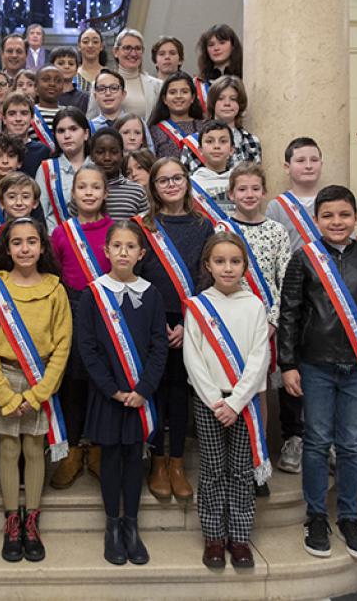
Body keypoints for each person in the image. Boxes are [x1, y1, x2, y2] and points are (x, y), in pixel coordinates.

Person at [277, 185, 357, 561]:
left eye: (344, 215)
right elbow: (290, 314)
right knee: (315, 443)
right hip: (314, 365)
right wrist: (288, 364)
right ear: (316, 220)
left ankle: (348, 515)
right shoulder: (304, 259)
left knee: (348, 443)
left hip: (356, 370)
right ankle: (315, 516)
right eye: (328, 215)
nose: (336, 222)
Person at [0, 217, 72, 563]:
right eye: (17, 242)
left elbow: (62, 346)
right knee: (7, 448)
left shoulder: (55, 289)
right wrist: (5, 395)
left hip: (40, 381)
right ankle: (11, 521)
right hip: (4, 378)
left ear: (43, 247)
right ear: (7, 249)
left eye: (32, 242)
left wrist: (37, 394)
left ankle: (32, 519)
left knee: (34, 448)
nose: (25, 248)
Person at [76, 219, 167, 565]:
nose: (124, 252)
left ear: (141, 253)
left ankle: (132, 525)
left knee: (134, 459)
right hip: (108, 396)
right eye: (118, 246)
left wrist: (143, 389)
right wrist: (112, 389)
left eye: (131, 247)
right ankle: (112, 526)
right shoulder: (92, 294)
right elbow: (87, 348)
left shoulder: (152, 294)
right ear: (106, 250)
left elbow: (160, 347)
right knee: (110, 458)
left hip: (141, 397)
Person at [183, 231, 271, 570]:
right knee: (213, 470)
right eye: (220, 261)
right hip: (210, 402)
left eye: (235, 262)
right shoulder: (198, 306)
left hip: (243, 404)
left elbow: (259, 358)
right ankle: (214, 537)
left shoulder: (254, 305)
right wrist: (214, 400)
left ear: (245, 266)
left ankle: (240, 536)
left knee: (240, 471)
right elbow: (193, 357)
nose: (228, 268)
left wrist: (236, 402)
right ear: (208, 265)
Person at [135, 158, 213, 501]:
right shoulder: (143, 226)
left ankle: (177, 462)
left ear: (186, 181)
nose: (170, 185)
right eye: (162, 180)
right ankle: (156, 461)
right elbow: (134, 276)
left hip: (189, 321)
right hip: (150, 320)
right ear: (153, 187)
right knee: (153, 391)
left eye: (176, 178)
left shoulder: (203, 225)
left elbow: (205, 276)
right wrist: (155, 325)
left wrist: (187, 323)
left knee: (180, 395)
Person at [0, 170, 41, 491]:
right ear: (0, 203)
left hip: (34, 325)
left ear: (36, 202)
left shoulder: (44, 237)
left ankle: (30, 467)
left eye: (25, 197)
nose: (18, 202)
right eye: (11, 197)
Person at [225, 162, 293, 477]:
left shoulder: (277, 232)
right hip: (230, 325)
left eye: (255, 188)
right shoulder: (222, 230)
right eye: (242, 189)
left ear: (264, 192)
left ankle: (258, 460)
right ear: (231, 194)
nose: (249, 194)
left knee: (259, 391)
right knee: (230, 389)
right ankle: (232, 458)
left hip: (265, 326)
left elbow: (286, 282)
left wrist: (272, 322)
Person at [48, 166, 113, 490]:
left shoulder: (116, 229)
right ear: (73, 194)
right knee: (73, 382)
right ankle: (72, 452)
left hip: (108, 312)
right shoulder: (62, 232)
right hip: (72, 309)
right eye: (82, 187)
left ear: (105, 193)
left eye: (95, 187)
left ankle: (100, 450)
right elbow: (55, 274)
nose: (89, 192)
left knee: (103, 382)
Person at [182, 75, 260, 172]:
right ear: (212, 102)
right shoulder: (194, 142)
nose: (227, 103)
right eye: (220, 98)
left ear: (240, 104)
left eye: (233, 99)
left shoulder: (252, 141)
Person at [36, 107, 91, 234]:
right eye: (61, 131)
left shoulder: (98, 167)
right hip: (56, 242)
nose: (67, 135)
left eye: (73, 129)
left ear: (86, 134)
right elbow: (40, 213)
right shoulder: (46, 169)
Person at [266, 137, 325, 254]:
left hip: (329, 271)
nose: (308, 166)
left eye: (314, 160)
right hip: (292, 271)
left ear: (321, 165)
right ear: (287, 168)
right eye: (301, 160)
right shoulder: (277, 207)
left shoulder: (332, 202)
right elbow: (270, 249)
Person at [89, 127, 149, 221]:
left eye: (114, 152)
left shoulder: (137, 192)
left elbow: (146, 228)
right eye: (100, 152)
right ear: (92, 156)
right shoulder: (83, 190)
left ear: (122, 155)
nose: (107, 158)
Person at [148, 71, 204, 160]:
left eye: (184, 92)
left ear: (192, 98)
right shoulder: (153, 131)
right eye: (172, 92)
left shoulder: (205, 127)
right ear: (164, 99)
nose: (178, 96)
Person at [111, 29, 162, 121]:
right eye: (127, 48)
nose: (133, 53)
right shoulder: (100, 84)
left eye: (138, 48)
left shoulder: (157, 85)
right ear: (115, 52)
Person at [0, 91, 51, 177]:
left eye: (24, 113)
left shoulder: (43, 152)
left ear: (32, 118)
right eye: (12, 114)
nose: (18, 118)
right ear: (4, 119)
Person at [191, 120, 238, 216]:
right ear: (200, 150)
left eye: (223, 141)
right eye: (209, 141)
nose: (216, 146)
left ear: (232, 150)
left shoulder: (240, 180)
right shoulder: (192, 184)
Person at [194, 24, 243, 110]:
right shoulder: (197, 84)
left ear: (233, 46)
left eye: (222, 43)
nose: (216, 48)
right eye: (211, 45)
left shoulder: (246, 78)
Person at [33, 65, 66, 145]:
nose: (52, 84)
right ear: (35, 87)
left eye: (58, 81)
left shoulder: (69, 113)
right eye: (46, 80)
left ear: (63, 88)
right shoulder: (29, 113)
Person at [50, 46, 90, 110]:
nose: (66, 66)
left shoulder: (85, 98)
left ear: (77, 69)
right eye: (61, 63)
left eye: (71, 64)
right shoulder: (45, 96)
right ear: (52, 67)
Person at [76, 27, 107, 94]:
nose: (90, 45)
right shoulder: (72, 75)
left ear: (101, 46)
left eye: (95, 42)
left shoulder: (110, 74)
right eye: (85, 42)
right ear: (79, 46)